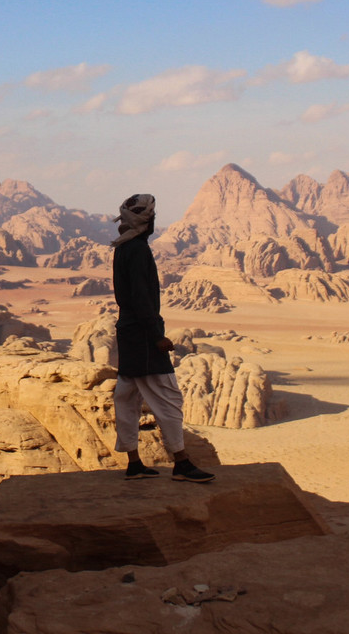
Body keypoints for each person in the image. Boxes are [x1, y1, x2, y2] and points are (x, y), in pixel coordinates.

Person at [111, 193, 215, 483]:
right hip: (144, 335)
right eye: (153, 216)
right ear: (147, 220)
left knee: (127, 397)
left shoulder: (124, 247)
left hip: (128, 333)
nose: (155, 220)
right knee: (168, 397)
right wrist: (157, 336)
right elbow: (141, 298)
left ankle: (133, 463)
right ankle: (181, 463)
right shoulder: (138, 250)